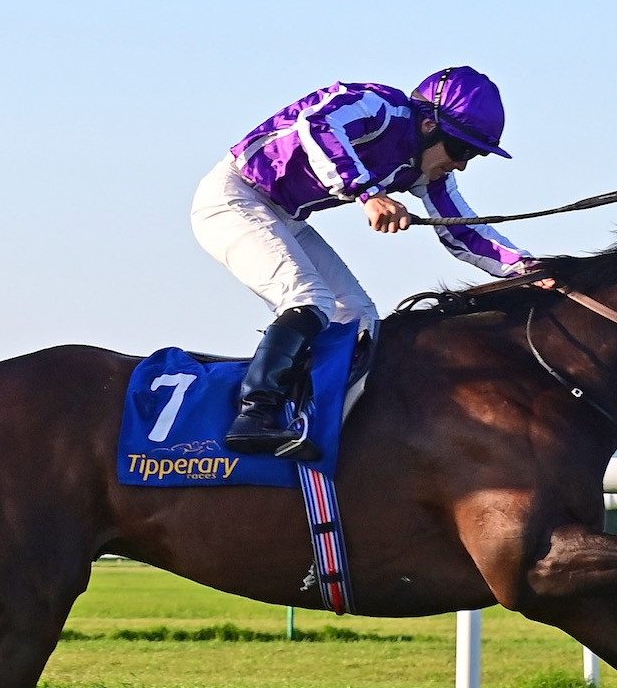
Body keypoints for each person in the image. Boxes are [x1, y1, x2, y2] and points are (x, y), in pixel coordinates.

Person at [192, 66, 539, 458]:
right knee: (308, 298)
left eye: (473, 155)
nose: (461, 165)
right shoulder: (377, 106)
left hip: (283, 215)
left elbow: (463, 231)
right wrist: (369, 193)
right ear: (428, 125)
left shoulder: (425, 172)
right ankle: (254, 417)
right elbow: (317, 126)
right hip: (233, 198)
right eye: (461, 150)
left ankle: (317, 417)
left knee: (357, 316)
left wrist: (528, 270)